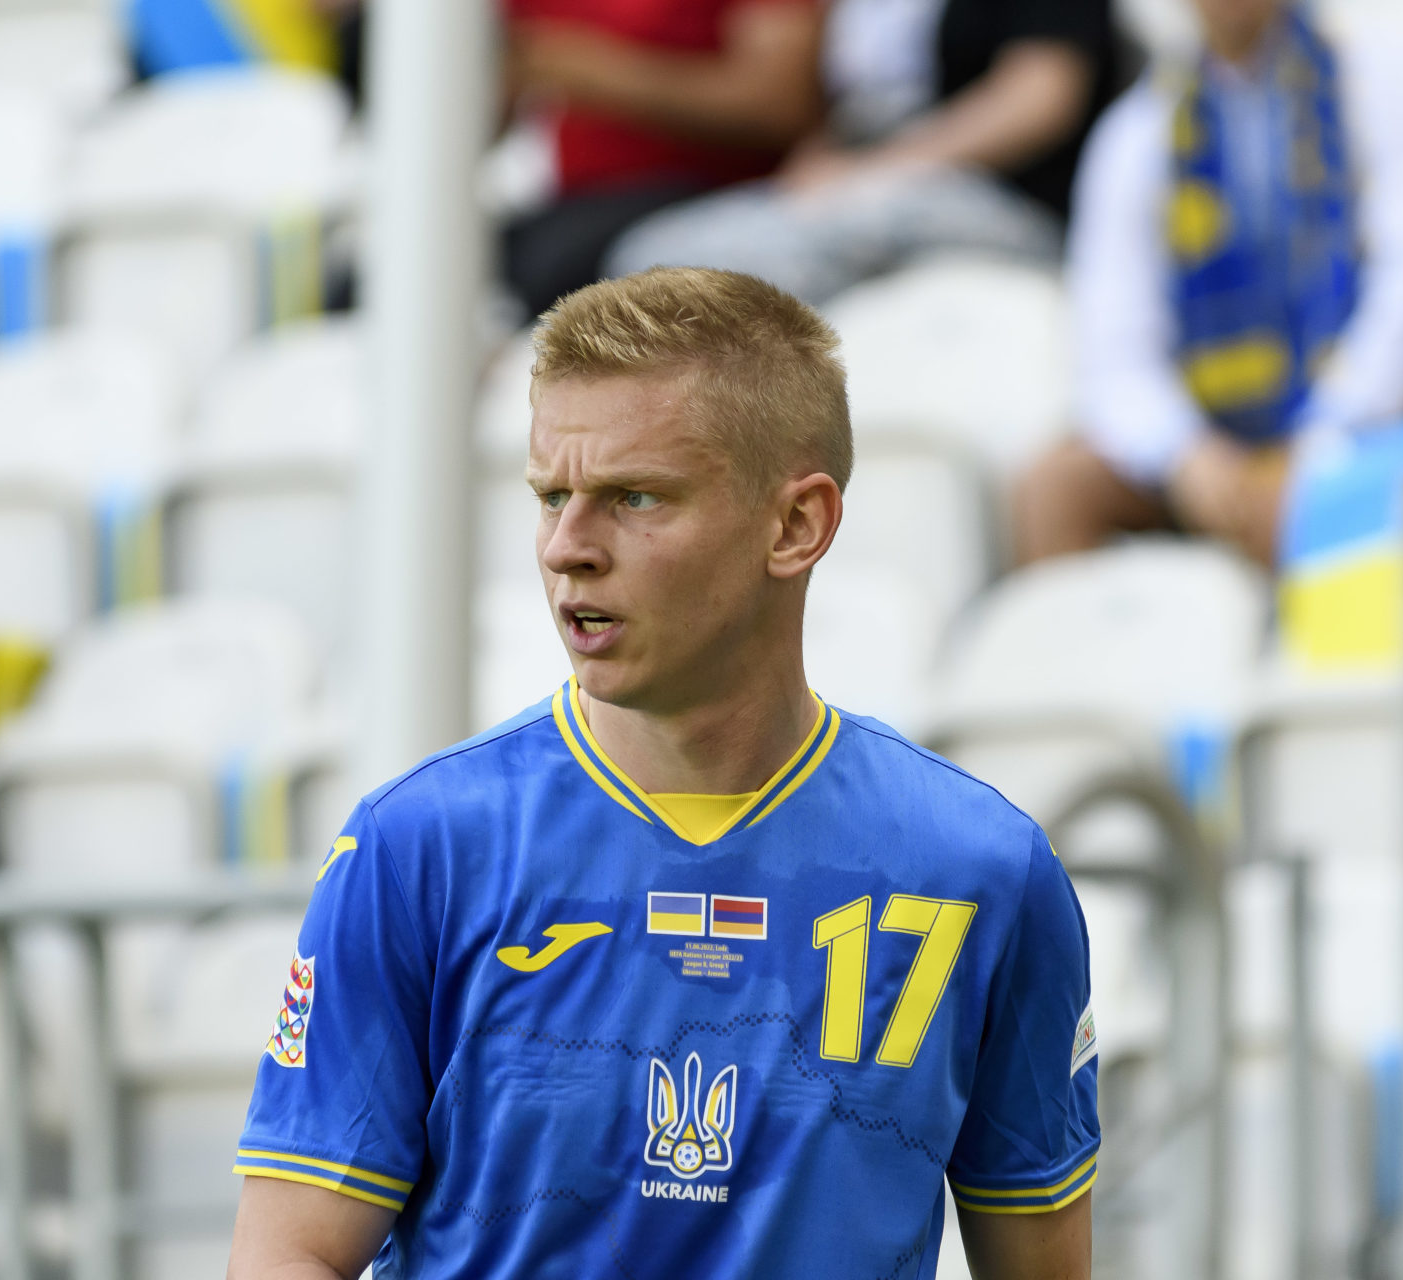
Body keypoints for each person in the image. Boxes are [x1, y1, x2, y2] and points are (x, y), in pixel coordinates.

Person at [227, 268, 1098, 1278]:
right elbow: (290, 1255)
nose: (565, 548)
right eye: (552, 496)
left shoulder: (981, 869)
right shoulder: (416, 848)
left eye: (634, 497)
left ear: (796, 526)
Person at [1013, 0, 1403, 567]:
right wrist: (1187, 457)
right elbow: (1114, 347)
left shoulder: (1386, 76)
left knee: (1297, 500)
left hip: (1376, 422)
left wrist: (1318, 440)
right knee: (1057, 489)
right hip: (1215, 439)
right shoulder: (1138, 131)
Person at [607, 0, 1125, 304]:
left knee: (710, 279)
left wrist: (875, 172)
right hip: (878, 184)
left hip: (1009, 201)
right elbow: (856, 112)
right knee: (650, 253)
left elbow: (1038, 99)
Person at [502, 0, 826, 318]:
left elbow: (778, 105)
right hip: (576, 206)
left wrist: (585, 67)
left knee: (549, 267)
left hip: (717, 193)